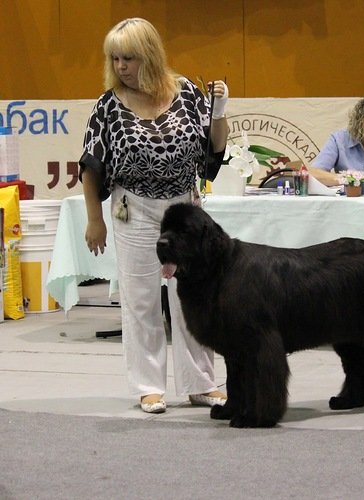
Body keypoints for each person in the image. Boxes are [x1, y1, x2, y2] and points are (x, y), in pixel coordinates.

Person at [79, 18, 229, 413]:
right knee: (140, 300)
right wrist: (95, 219)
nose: (121, 65)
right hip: (135, 210)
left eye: (129, 57)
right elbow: (91, 167)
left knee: (193, 298)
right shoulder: (108, 106)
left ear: (149, 56)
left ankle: (202, 382)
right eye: (115, 58)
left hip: (183, 210)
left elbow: (213, 149)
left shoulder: (187, 95)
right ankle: (148, 386)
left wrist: (220, 111)